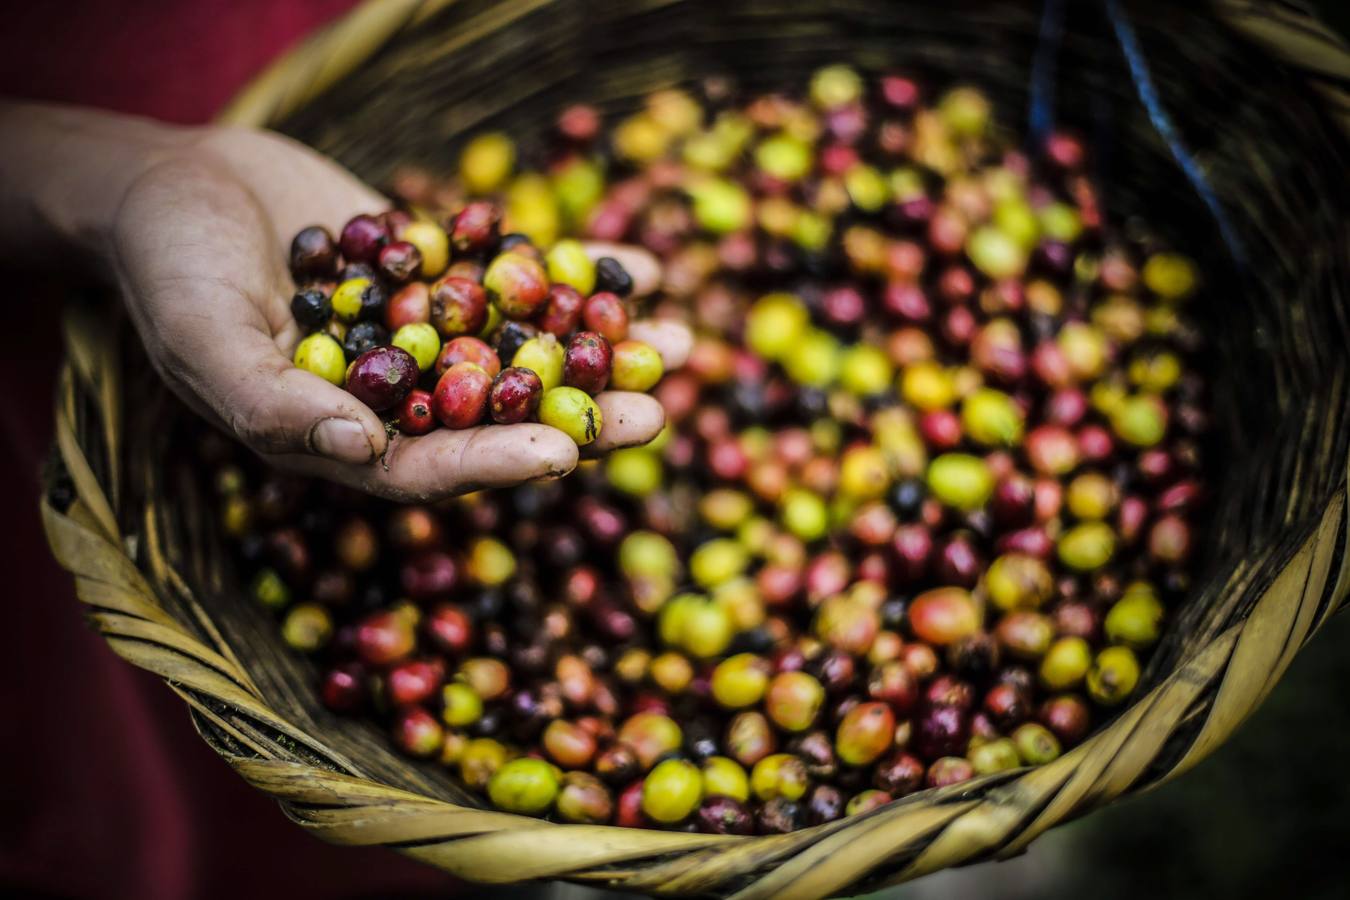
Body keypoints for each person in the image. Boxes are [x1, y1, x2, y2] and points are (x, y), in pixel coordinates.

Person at [0, 3, 686, 897]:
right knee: (135, 764)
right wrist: (119, 180)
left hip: (333, 78)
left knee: (404, 821)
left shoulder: (446, 300)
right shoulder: (424, 315)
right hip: (43, 312)